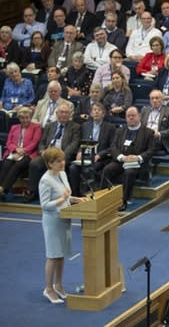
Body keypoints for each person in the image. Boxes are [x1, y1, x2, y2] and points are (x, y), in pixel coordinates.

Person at [39, 147, 88, 304]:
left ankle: (58, 285)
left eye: (63, 160)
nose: (62, 163)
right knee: (53, 256)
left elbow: (66, 195)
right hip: (53, 221)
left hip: (65, 219)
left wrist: (75, 199)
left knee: (61, 256)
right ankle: (48, 288)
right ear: (49, 163)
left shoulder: (63, 174)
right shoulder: (45, 180)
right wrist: (62, 200)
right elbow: (45, 205)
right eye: (58, 161)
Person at [101, 107, 155, 210]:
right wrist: (121, 157)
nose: (130, 118)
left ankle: (124, 200)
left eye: (133, 116)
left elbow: (151, 151)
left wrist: (138, 157)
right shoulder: (120, 130)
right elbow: (113, 146)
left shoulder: (148, 132)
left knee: (129, 172)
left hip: (138, 163)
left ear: (139, 116)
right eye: (128, 116)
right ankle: (104, 197)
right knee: (107, 169)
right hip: (122, 160)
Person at [26, 103, 80, 203]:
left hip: (63, 156)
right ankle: (33, 192)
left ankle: (64, 196)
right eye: (62, 112)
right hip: (48, 155)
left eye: (66, 113)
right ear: (56, 113)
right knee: (34, 163)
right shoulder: (50, 125)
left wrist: (60, 156)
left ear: (70, 114)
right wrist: (42, 151)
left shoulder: (75, 127)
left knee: (59, 163)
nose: (64, 115)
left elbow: (74, 145)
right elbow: (42, 142)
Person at [67, 102, 115, 197]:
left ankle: (91, 194)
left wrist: (100, 155)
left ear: (103, 113)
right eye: (94, 110)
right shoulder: (85, 126)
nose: (96, 112)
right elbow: (80, 142)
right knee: (73, 168)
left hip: (99, 157)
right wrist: (79, 152)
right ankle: (76, 195)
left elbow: (112, 147)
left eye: (99, 110)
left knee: (88, 169)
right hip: (85, 155)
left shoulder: (110, 127)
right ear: (91, 113)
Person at [0, 107, 41, 200]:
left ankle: (2, 189)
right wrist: (15, 150)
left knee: (17, 166)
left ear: (30, 117)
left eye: (27, 117)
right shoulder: (14, 127)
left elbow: (35, 142)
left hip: (28, 153)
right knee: (6, 164)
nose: (25, 120)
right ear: (19, 118)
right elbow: (9, 142)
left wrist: (23, 151)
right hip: (14, 152)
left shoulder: (36, 127)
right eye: (22, 118)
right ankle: (2, 189)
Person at [141, 90, 169, 157]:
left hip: (158, 139)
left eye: (157, 98)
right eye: (152, 98)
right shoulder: (145, 110)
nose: (154, 100)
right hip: (144, 136)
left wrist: (159, 133)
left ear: (162, 99)